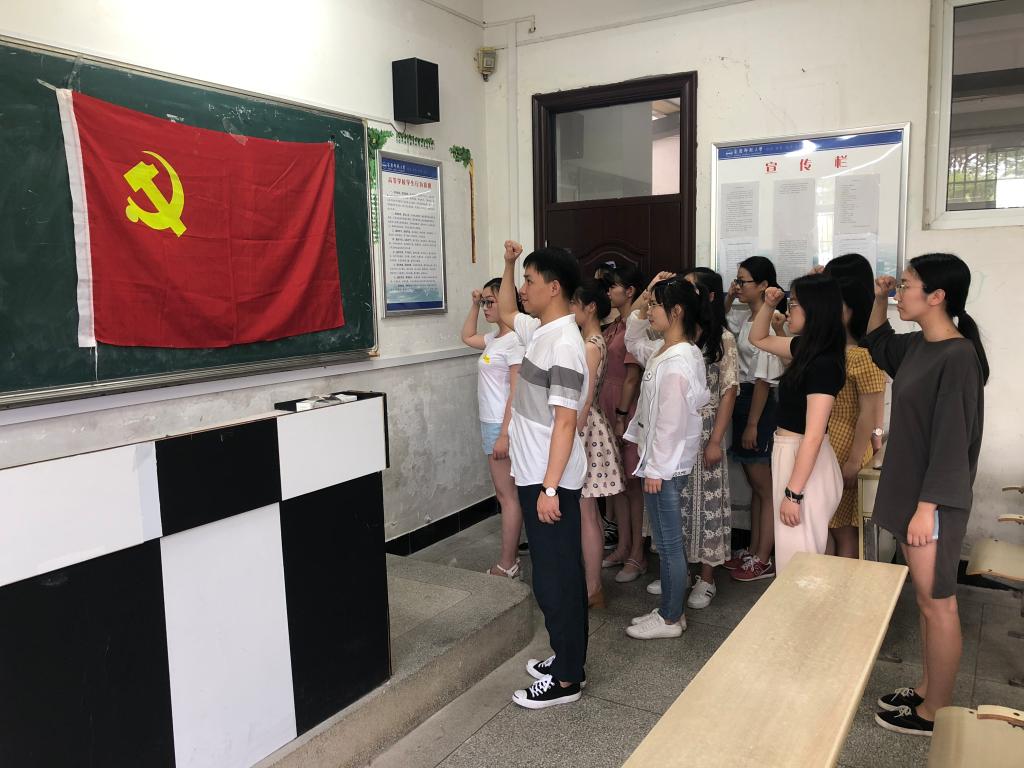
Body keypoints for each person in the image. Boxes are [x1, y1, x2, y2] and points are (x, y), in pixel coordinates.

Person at [865, 254, 987, 737]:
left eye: (907, 285)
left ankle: (936, 711)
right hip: (914, 495)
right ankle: (925, 688)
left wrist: (926, 508)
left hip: (931, 502)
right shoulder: (918, 345)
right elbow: (877, 341)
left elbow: (952, 442)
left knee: (939, 603)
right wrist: (878, 297)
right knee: (924, 600)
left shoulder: (958, 357)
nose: (900, 292)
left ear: (937, 296)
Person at [497, 240, 589, 710]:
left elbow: (566, 422)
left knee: (557, 579)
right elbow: (505, 311)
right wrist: (510, 262)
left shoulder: (565, 346)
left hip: (549, 481)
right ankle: (564, 656)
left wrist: (550, 488)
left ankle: (567, 678)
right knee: (552, 575)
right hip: (536, 474)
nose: (522, 288)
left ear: (554, 288)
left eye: (530, 280)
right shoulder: (542, 331)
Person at [622, 273, 710, 639]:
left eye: (656, 305)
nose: (650, 311)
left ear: (677, 312)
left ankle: (671, 618)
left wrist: (656, 469)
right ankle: (669, 611)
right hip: (659, 463)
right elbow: (632, 340)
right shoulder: (664, 350)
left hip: (665, 467)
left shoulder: (678, 359)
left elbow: (671, 423)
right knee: (665, 540)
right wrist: (644, 296)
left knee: (670, 545)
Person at [748, 274, 846, 573]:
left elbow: (813, 435)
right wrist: (768, 304)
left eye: (793, 304)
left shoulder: (824, 363)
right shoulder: (805, 349)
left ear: (815, 309)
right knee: (802, 556)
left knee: (798, 564)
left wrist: (794, 493)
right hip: (792, 455)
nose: (788, 311)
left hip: (804, 462)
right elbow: (758, 338)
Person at [676, 267, 739, 608]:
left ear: (710, 295)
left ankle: (707, 577)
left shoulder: (723, 339)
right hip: (679, 428)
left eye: (692, 289)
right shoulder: (682, 334)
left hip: (707, 427)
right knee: (679, 500)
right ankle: (680, 571)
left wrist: (715, 440)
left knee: (707, 502)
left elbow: (729, 392)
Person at [821, 254, 887, 558]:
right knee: (830, 524)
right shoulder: (834, 348)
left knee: (844, 529)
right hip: (830, 446)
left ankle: (842, 584)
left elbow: (870, 413)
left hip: (848, 448)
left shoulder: (864, 354)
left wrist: (854, 459)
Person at [723, 256, 785, 581]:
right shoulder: (746, 317)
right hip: (744, 399)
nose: (738, 286)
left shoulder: (769, 320)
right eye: (736, 280)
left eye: (743, 281)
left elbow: (764, 378)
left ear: (763, 285)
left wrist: (752, 423)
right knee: (755, 485)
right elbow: (719, 324)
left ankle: (764, 556)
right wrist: (729, 296)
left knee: (764, 486)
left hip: (758, 403)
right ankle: (754, 549)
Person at [461, 278, 526, 578]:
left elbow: (516, 391)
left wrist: (503, 434)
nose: (486, 307)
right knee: (507, 494)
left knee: (506, 496)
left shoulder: (515, 341)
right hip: (491, 423)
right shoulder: (495, 338)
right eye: (484, 301)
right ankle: (511, 556)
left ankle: (507, 563)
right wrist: (474, 304)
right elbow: (467, 336)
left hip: (503, 425)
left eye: (490, 301)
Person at [570, 281, 625, 609]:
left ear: (590, 307)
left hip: (586, 427)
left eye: (574, 303)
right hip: (589, 423)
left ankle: (592, 587)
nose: (570, 309)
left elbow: (586, 396)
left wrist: (572, 435)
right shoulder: (594, 340)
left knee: (587, 511)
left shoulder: (591, 345)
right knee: (587, 511)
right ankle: (591, 585)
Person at [598, 264, 649, 584]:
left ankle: (638, 554)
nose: (608, 291)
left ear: (630, 291)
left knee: (633, 485)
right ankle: (622, 546)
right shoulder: (616, 323)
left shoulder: (636, 325)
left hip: (625, 408)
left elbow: (632, 376)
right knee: (618, 483)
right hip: (608, 405)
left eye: (613, 286)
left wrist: (620, 416)